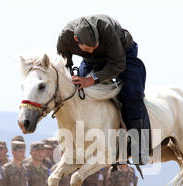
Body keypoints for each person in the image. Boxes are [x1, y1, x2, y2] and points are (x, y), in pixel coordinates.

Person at [57, 14, 149, 165]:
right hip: (91, 61)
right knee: (78, 92)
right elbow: (65, 64)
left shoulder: (106, 30)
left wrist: (91, 79)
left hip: (123, 55)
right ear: (75, 40)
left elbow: (118, 64)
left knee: (131, 93)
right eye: (88, 48)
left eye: (95, 46)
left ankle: (140, 146)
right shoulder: (64, 39)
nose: (92, 49)